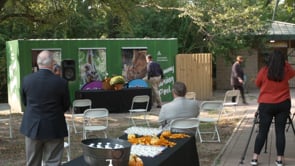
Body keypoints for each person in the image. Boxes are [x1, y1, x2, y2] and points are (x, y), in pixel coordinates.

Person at [20, 50, 71, 166]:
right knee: (53, 162)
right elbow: (66, 105)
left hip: (32, 126)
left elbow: (25, 102)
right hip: (54, 126)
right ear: (52, 63)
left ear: (38, 63)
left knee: (32, 162)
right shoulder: (61, 82)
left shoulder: (27, 80)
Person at [250, 50, 295, 166]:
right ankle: (279, 159)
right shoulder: (285, 70)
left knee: (262, 131)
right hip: (283, 104)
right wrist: (285, 63)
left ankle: (255, 158)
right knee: (280, 132)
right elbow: (292, 73)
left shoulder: (264, 71)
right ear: (283, 61)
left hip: (266, 104)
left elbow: (257, 83)